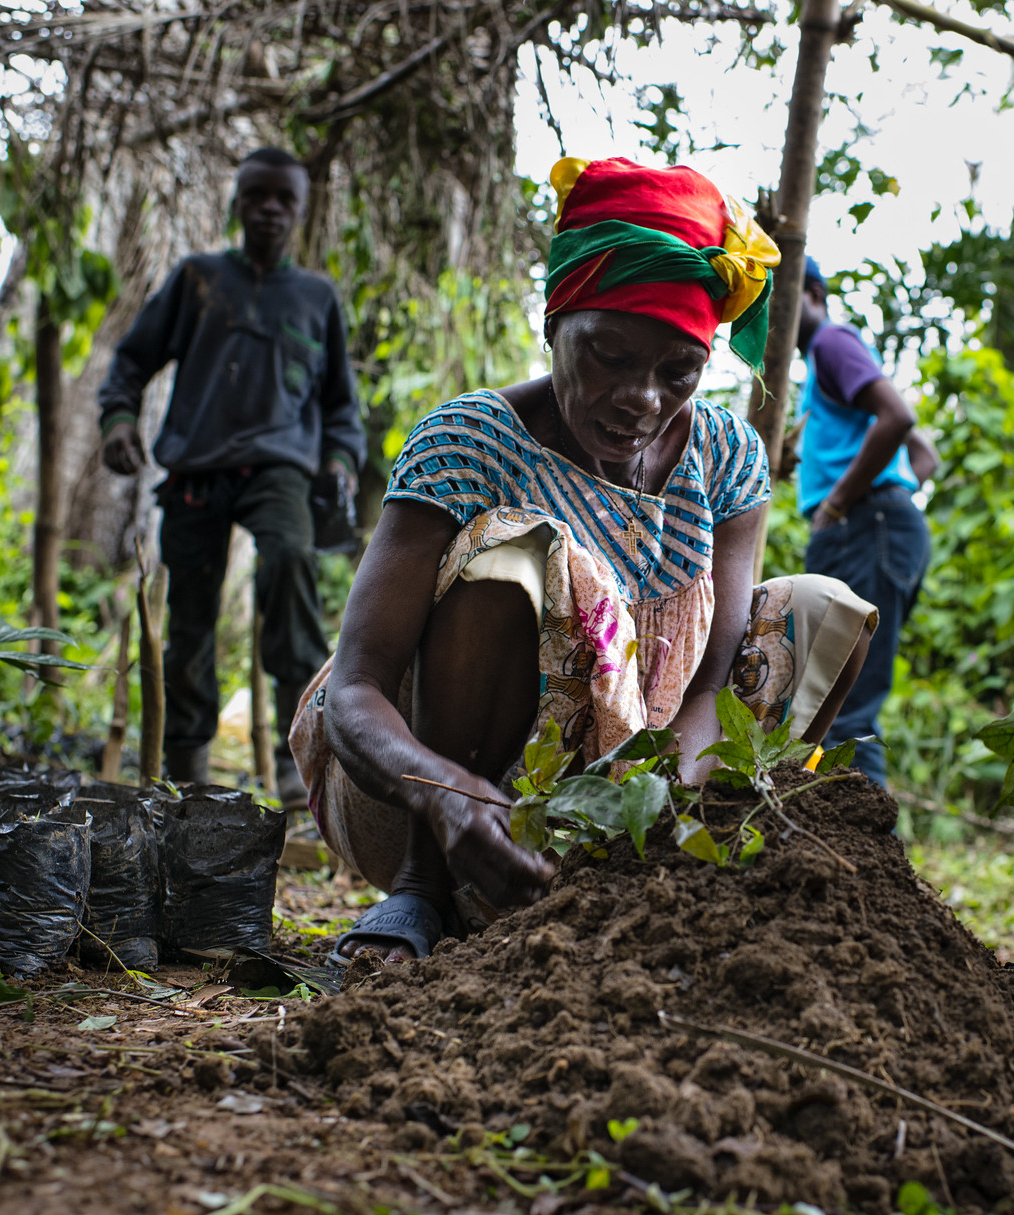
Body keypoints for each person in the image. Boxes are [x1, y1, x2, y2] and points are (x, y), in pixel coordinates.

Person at [290, 157, 878, 962]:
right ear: (554, 324)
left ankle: (655, 889)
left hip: (607, 813)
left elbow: (712, 684)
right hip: (428, 804)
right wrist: (447, 797)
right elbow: (356, 686)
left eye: (679, 371)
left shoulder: (728, 456)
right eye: (607, 354)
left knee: (819, 609)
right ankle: (422, 897)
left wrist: (655, 803)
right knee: (518, 552)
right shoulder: (470, 440)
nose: (641, 397)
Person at [97, 146, 364, 805]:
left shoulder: (315, 297)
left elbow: (340, 405)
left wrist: (340, 461)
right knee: (187, 615)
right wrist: (118, 422)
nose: (270, 209)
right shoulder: (198, 279)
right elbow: (130, 362)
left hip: (280, 467)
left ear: (300, 213)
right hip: (197, 464)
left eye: (284, 200)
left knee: (291, 566)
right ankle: (184, 779)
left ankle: (303, 776)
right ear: (237, 203)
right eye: (257, 196)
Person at [795, 257, 937, 786]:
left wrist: (843, 504)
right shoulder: (824, 365)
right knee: (834, 701)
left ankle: (870, 858)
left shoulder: (831, 343)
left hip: (864, 527)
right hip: (882, 527)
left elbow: (900, 419)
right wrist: (893, 500)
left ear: (811, 292)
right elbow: (924, 454)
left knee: (842, 707)